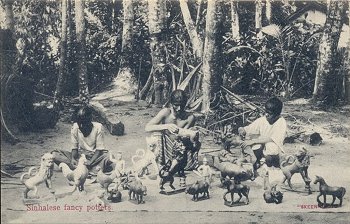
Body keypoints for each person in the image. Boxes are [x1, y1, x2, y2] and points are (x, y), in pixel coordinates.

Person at [145, 89, 200, 171]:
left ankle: (177, 165)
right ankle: (161, 162)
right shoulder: (166, 112)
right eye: (176, 105)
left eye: (182, 105)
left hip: (179, 149)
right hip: (165, 149)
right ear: (171, 104)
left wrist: (191, 135)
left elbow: (183, 138)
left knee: (193, 131)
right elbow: (147, 128)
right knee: (157, 134)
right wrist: (166, 126)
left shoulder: (190, 118)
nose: (179, 108)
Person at [52, 106, 116, 173]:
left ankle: (82, 168)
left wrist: (90, 162)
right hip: (81, 156)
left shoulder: (98, 127)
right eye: (80, 124)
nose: (82, 126)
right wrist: (73, 159)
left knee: (109, 157)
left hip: (96, 157)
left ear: (90, 120)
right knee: (54, 154)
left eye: (84, 123)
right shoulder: (75, 127)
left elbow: (99, 149)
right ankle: (90, 169)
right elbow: (74, 148)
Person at [238, 97, 287, 173]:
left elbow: (273, 138)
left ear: (277, 115)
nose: (266, 115)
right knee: (255, 145)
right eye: (265, 112)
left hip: (274, 150)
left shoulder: (281, 122)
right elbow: (249, 128)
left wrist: (254, 141)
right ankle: (259, 160)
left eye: (269, 113)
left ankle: (271, 164)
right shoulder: (263, 119)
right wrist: (242, 130)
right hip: (262, 147)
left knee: (271, 146)